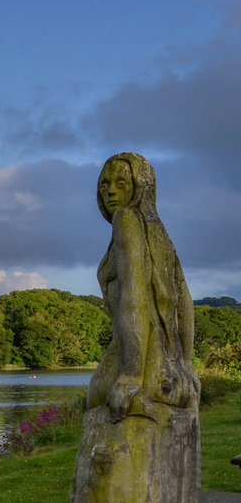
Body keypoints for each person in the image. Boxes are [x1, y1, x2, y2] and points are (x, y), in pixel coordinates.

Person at [85, 152, 197, 423]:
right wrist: (187, 367)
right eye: (104, 184)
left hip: (142, 366)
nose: (111, 191)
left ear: (139, 187)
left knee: (95, 399)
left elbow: (133, 298)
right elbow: (185, 304)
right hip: (171, 374)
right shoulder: (159, 232)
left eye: (121, 184)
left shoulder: (126, 220)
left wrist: (130, 376)